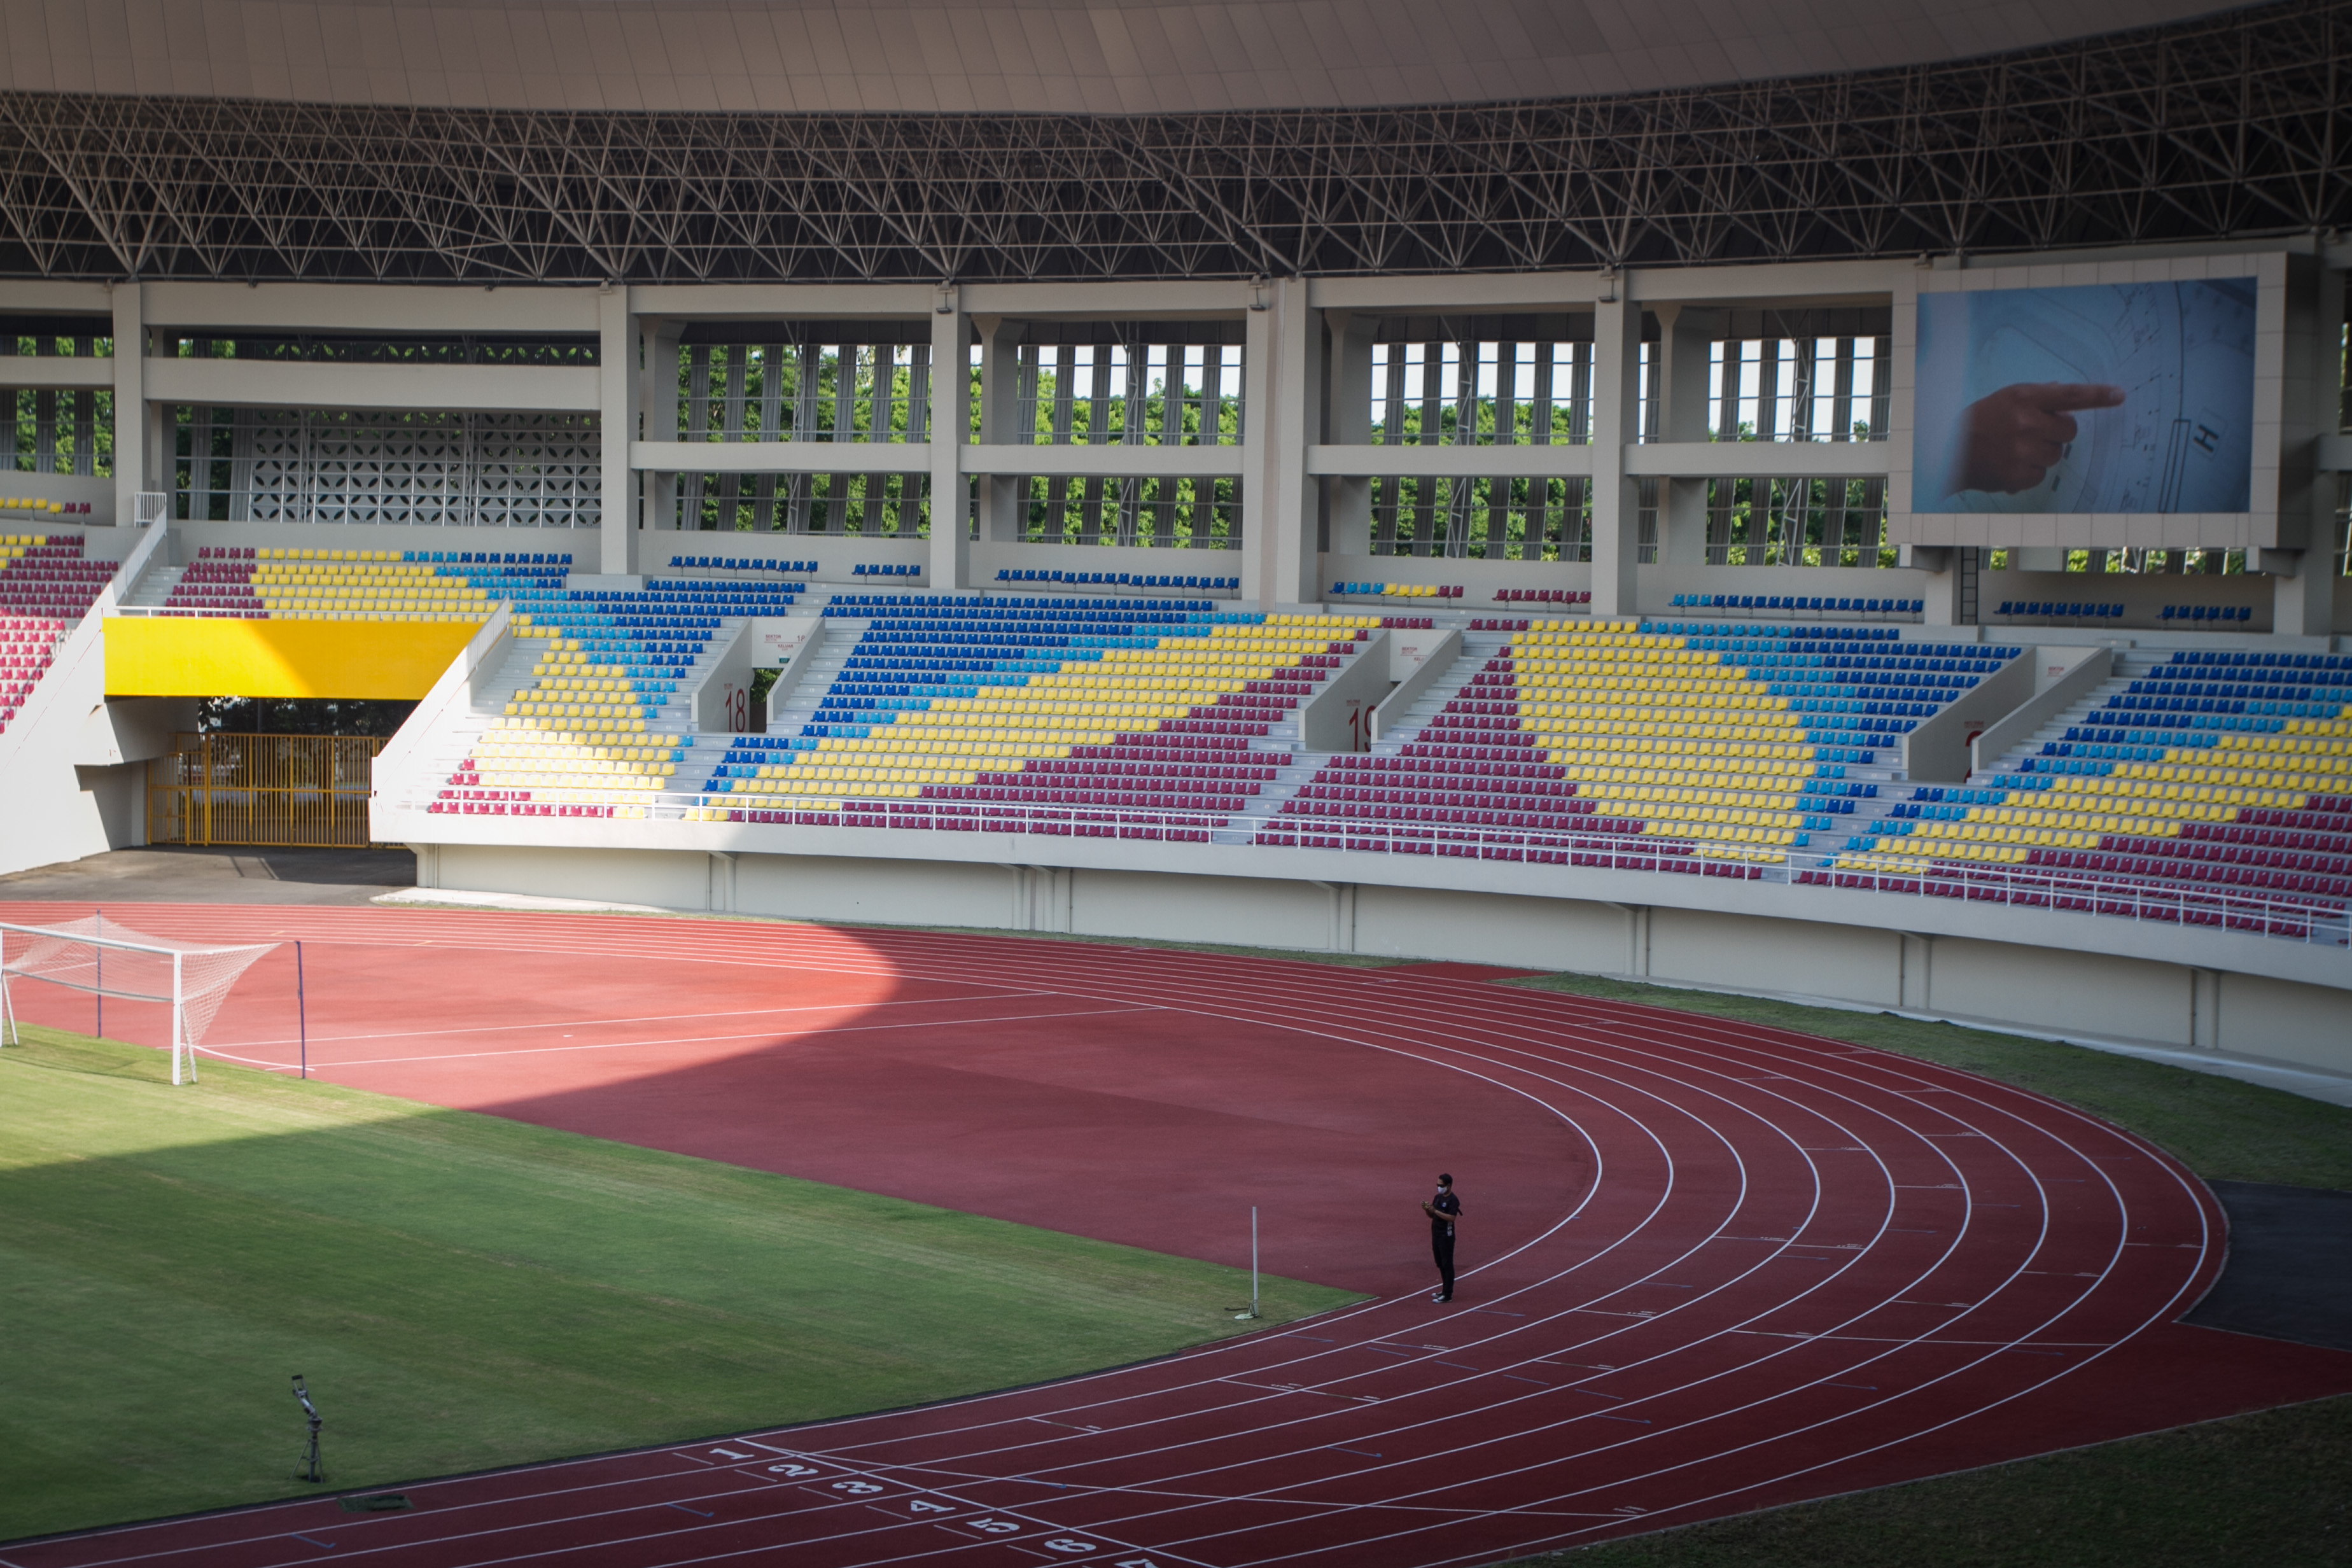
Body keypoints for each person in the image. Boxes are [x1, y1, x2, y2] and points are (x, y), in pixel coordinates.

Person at [1422, 1173, 1462, 1303]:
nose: (1439, 1187)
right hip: (1436, 1234)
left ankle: (1448, 1293)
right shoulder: (1438, 1198)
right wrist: (1428, 1210)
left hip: (1447, 1236)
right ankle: (1444, 1289)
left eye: (1441, 1185)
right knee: (1440, 1263)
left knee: (1447, 1263)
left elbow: (1452, 1218)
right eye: (1438, 1185)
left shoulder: (1453, 1200)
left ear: (1449, 1186)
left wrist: (1436, 1211)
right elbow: (1432, 1216)